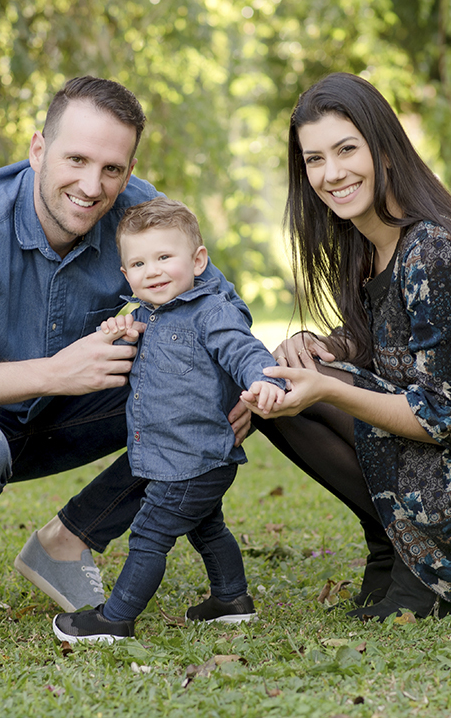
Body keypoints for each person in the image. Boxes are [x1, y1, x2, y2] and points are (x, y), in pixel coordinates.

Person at [0, 76, 252, 631]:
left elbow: (222, 307)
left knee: (217, 382)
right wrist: (55, 372)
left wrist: (243, 385)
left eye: (112, 169)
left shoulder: (138, 217)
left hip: (55, 419)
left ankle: (69, 540)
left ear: (129, 171)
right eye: (76, 159)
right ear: (38, 150)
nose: (92, 185)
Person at [244, 72, 451, 620]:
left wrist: (328, 385)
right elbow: (399, 345)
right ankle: (392, 549)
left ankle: (424, 574)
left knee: (309, 392)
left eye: (346, 149)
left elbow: (439, 418)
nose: (331, 174)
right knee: (277, 390)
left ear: (384, 148)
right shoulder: (369, 244)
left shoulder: (433, 250)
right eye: (313, 160)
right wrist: (323, 347)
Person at [51, 198, 286, 643]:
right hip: (178, 458)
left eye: (164, 257)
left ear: (198, 261)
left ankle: (115, 619)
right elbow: (126, 341)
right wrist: (113, 331)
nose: (152, 271)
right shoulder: (143, 316)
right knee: (207, 526)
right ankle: (231, 600)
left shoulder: (211, 311)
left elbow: (244, 349)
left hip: (193, 458)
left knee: (148, 535)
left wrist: (264, 380)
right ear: (126, 275)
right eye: (138, 263)